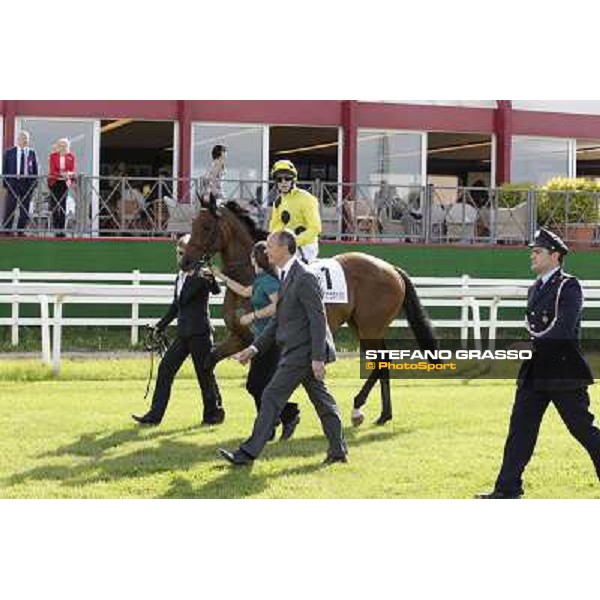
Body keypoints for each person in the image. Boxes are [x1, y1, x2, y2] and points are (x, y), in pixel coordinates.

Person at [477, 228, 600, 499]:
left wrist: (532, 346)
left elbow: (564, 329)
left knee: (582, 429)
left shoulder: (570, 286)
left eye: (537, 251)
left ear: (554, 256)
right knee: (520, 429)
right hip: (535, 371)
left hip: (564, 370)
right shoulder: (535, 288)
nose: (531, 256)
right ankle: (507, 489)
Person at [218, 230, 347, 466]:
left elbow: (318, 319)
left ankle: (247, 453)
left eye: (269, 246)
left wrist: (317, 358)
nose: (266, 251)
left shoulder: (304, 277)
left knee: (271, 396)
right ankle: (338, 451)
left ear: (285, 248)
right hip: (298, 351)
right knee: (323, 402)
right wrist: (254, 349)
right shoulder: (287, 275)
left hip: (303, 352)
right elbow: (277, 321)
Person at [211, 241, 301, 440]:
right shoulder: (260, 279)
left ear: (255, 259)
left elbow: (277, 306)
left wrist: (253, 316)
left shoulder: (269, 281)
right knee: (260, 385)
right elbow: (244, 291)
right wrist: (221, 276)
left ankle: (280, 418)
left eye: (252, 256)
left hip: (271, 340)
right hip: (261, 340)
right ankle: (282, 418)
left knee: (256, 384)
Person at [132, 234, 225, 426]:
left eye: (182, 253)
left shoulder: (201, 273)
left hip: (200, 333)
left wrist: (209, 276)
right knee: (165, 368)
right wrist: (160, 326)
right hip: (183, 334)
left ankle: (213, 413)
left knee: (204, 374)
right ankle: (154, 416)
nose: (178, 256)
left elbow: (216, 290)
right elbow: (176, 306)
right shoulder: (180, 277)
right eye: (177, 252)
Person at [269, 159, 321, 263]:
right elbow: (274, 228)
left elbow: (315, 228)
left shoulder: (307, 198)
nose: (283, 182)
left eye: (287, 178)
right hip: (286, 248)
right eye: (279, 179)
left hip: (306, 248)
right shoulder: (278, 202)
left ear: (293, 180)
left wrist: (294, 242)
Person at [2, 130, 39, 234]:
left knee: (25, 208)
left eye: (26, 139)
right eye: (23, 138)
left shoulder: (32, 152)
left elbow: (35, 169)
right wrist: (6, 184)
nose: (25, 140)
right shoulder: (9, 152)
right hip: (13, 183)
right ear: (18, 140)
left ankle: (21, 230)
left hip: (27, 183)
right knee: (10, 207)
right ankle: (7, 230)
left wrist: (34, 184)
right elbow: (5, 169)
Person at [48, 138, 77, 236]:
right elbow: (52, 170)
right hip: (54, 182)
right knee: (55, 205)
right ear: (58, 146)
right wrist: (62, 174)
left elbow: (72, 170)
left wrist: (68, 174)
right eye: (61, 145)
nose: (63, 147)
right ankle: (56, 229)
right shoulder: (53, 156)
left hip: (65, 183)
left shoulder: (71, 156)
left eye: (65, 145)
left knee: (63, 205)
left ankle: (62, 230)